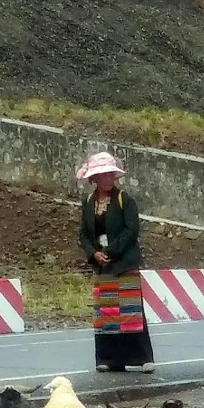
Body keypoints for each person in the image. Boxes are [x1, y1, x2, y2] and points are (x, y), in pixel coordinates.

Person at [74, 151, 155, 373]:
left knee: (130, 311)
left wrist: (110, 250)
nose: (109, 179)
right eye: (104, 175)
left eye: (111, 175)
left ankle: (141, 357)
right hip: (102, 266)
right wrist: (94, 254)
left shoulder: (125, 200)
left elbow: (131, 230)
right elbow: (83, 234)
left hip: (124, 263)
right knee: (107, 312)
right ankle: (109, 359)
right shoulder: (89, 202)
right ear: (95, 179)